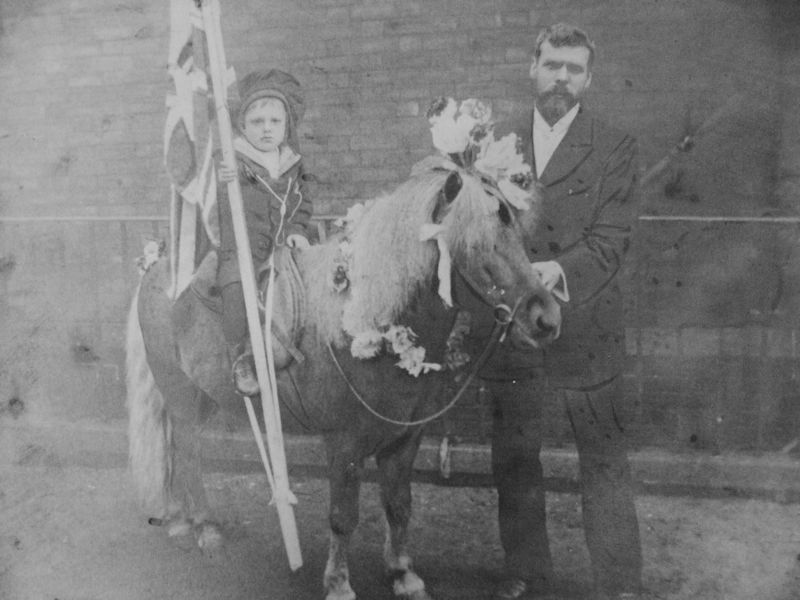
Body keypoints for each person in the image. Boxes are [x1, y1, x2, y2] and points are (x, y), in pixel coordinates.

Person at [474, 23, 643, 600]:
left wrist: (553, 272)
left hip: (585, 326)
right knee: (516, 458)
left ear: (588, 79)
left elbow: (611, 239)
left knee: (603, 463)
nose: (561, 79)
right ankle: (527, 574)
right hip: (515, 330)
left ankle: (619, 584)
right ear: (533, 67)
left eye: (574, 69)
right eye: (552, 65)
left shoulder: (615, 145)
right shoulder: (497, 146)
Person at [216, 68, 313, 395]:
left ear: (287, 126)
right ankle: (241, 356)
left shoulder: (292, 162)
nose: (267, 129)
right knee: (234, 285)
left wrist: (298, 228)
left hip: (283, 247)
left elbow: (303, 200)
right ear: (243, 127)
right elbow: (219, 204)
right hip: (245, 249)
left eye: (275, 122)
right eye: (257, 123)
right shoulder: (235, 160)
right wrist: (225, 179)